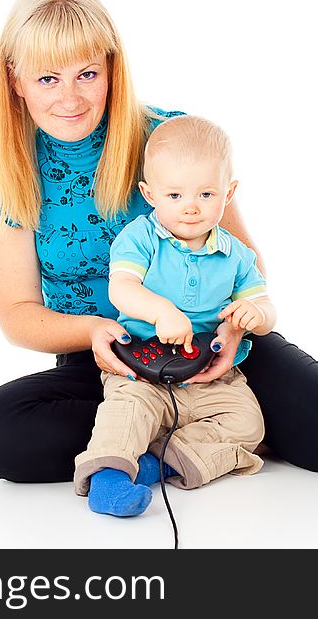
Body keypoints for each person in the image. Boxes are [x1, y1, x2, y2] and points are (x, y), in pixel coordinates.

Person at [0, 0, 318, 490]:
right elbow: (19, 315)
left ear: (111, 70)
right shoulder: (6, 176)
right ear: (15, 79)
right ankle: (215, 434)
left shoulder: (168, 138)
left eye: (87, 74)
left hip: (213, 346)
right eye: (48, 78)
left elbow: (244, 257)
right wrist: (96, 333)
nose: (70, 97)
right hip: (110, 359)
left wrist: (231, 331)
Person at [74, 115, 276, 516]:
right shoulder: (139, 237)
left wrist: (256, 314)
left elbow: (264, 304)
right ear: (149, 194)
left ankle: (161, 464)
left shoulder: (236, 254)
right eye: (174, 196)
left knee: (247, 422)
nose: (190, 208)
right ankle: (109, 479)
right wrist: (161, 310)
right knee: (126, 411)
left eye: (205, 194)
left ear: (228, 192)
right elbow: (122, 288)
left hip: (210, 373)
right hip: (141, 368)